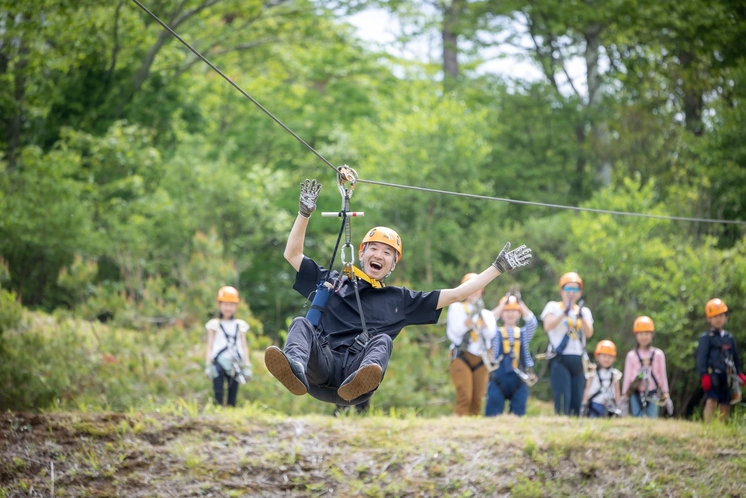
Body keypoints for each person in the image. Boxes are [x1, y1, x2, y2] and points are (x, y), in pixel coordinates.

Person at [264, 179, 533, 406]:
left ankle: (362, 379)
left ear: (393, 264)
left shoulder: (400, 300)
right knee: (301, 323)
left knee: (383, 341)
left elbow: (456, 294)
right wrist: (304, 213)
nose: (379, 255)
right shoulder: (332, 283)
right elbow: (293, 254)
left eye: (387, 253)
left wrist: (498, 268)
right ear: (361, 253)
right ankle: (294, 368)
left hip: (354, 384)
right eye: (374, 248)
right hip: (317, 373)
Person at [541, 272, 594, 416]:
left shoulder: (584, 311)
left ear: (580, 292)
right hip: (560, 358)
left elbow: (589, 333)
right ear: (561, 290)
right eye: (568, 288)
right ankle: (561, 425)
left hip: (578, 358)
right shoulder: (553, 307)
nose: (571, 292)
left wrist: (581, 316)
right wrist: (564, 312)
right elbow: (548, 326)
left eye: (575, 289)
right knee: (563, 397)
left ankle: (575, 427)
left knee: (577, 399)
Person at [446, 273, 498, 416]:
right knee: (465, 396)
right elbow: (454, 333)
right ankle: (459, 426)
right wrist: (468, 322)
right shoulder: (457, 308)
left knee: (477, 399)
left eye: (478, 288)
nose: (475, 291)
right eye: (471, 288)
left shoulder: (487, 314)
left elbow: (490, 335)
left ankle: (472, 428)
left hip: (481, 357)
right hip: (461, 355)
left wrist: (483, 322)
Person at [484, 292, 538, 417]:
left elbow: (532, 323)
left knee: (518, 412)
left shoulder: (524, 334)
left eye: (514, 310)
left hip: (519, 378)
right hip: (498, 377)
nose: (510, 314)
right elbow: (488, 321)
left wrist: (520, 303)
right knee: (493, 411)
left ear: (519, 314)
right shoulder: (494, 333)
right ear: (501, 313)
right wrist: (502, 304)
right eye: (507, 310)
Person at [696, 298, 746, 423]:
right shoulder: (706, 338)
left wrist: (739, 373)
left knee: (725, 402)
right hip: (713, 375)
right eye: (714, 316)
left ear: (726, 317)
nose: (718, 319)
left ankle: (720, 428)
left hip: (728, 376)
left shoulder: (729, 338)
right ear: (709, 319)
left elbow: (735, 357)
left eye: (721, 315)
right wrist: (704, 375)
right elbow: (701, 358)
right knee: (711, 400)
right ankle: (707, 427)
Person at [204, 286, 252, 407]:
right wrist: (208, 364)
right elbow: (209, 345)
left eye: (231, 305)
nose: (228, 308)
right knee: (218, 391)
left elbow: (244, 346)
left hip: (234, 362)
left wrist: (247, 365)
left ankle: (231, 411)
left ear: (236, 306)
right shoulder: (214, 325)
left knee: (233, 393)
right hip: (218, 362)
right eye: (225, 304)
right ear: (220, 305)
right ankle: (217, 412)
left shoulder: (240, 325)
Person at [621, 316, 673, 418]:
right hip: (635, 391)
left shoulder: (658, 354)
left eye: (647, 333)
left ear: (652, 334)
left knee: (652, 417)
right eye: (640, 333)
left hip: (653, 392)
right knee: (637, 417)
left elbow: (662, 375)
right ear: (636, 335)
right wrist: (624, 394)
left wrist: (665, 392)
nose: (644, 337)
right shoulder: (631, 355)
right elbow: (627, 376)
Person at [582, 340, 622, 418]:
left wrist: (618, 405)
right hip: (595, 404)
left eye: (610, 356)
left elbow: (617, 390)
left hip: (610, 405)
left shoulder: (615, 374)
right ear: (597, 356)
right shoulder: (592, 372)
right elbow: (587, 388)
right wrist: (584, 403)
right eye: (604, 356)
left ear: (614, 358)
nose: (607, 359)